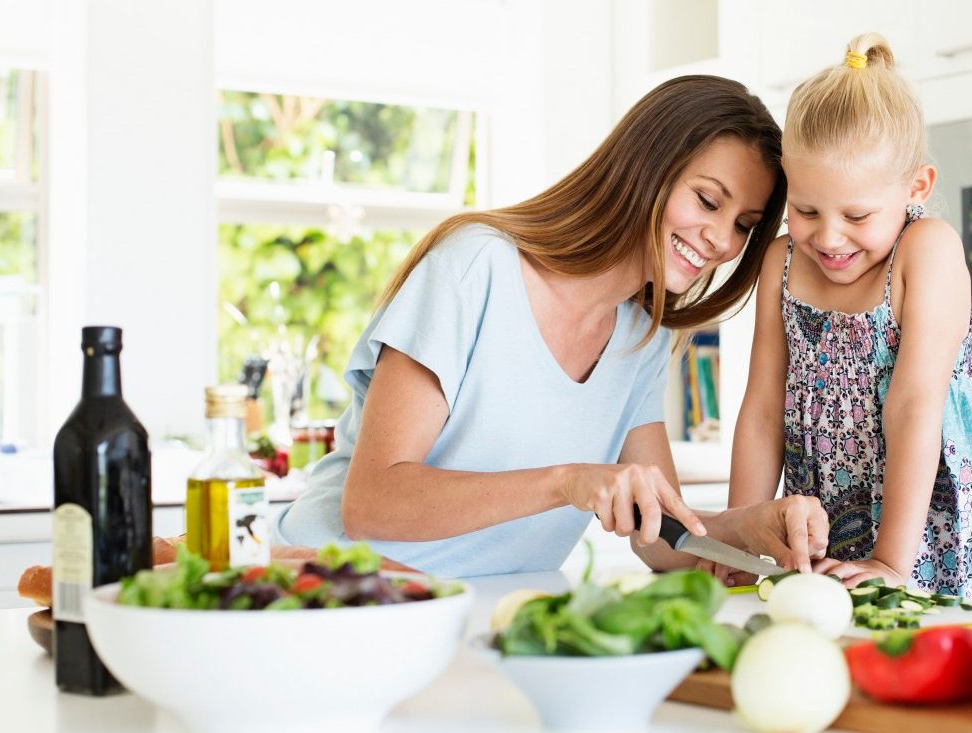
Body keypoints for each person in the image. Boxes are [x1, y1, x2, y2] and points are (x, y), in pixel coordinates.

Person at [277, 75, 829, 580]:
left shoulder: (644, 335)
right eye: (707, 200)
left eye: (743, 225)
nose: (723, 242)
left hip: (490, 614)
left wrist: (746, 524)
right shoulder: (476, 267)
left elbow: (661, 539)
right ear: (646, 166)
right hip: (334, 595)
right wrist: (568, 481)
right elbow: (372, 505)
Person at [727, 33, 972, 602]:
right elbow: (763, 407)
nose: (829, 235)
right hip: (826, 542)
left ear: (916, 186)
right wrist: (739, 540)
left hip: (933, 538)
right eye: (806, 209)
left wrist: (892, 559)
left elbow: (915, 403)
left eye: (857, 214)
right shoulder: (783, 261)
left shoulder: (927, 251)